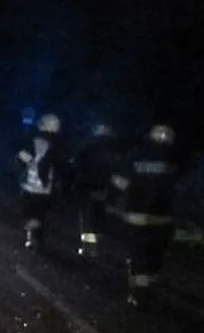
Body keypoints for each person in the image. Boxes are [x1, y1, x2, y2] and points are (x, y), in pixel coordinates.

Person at [110, 124, 180, 308]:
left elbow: (120, 181)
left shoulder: (137, 153)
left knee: (138, 254)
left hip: (137, 215)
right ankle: (149, 287)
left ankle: (139, 294)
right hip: (163, 217)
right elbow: (180, 189)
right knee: (155, 255)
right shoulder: (175, 157)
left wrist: (118, 200)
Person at [69, 122, 123, 258]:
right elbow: (118, 168)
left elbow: (75, 162)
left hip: (85, 186)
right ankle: (96, 244)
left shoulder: (87, 144)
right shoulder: (114, 148)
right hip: (104, 187)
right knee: (98, 215)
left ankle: (89, 247)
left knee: (86, 216)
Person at [15, 113, 67, 251]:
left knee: (29, 213)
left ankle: (32, 238)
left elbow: (20, 154)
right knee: (39, 215)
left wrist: (27, 160)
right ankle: (37, 239)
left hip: (30, 185)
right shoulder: (59, 145)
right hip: (45, 188)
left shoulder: (33, 139)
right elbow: (62, 166)